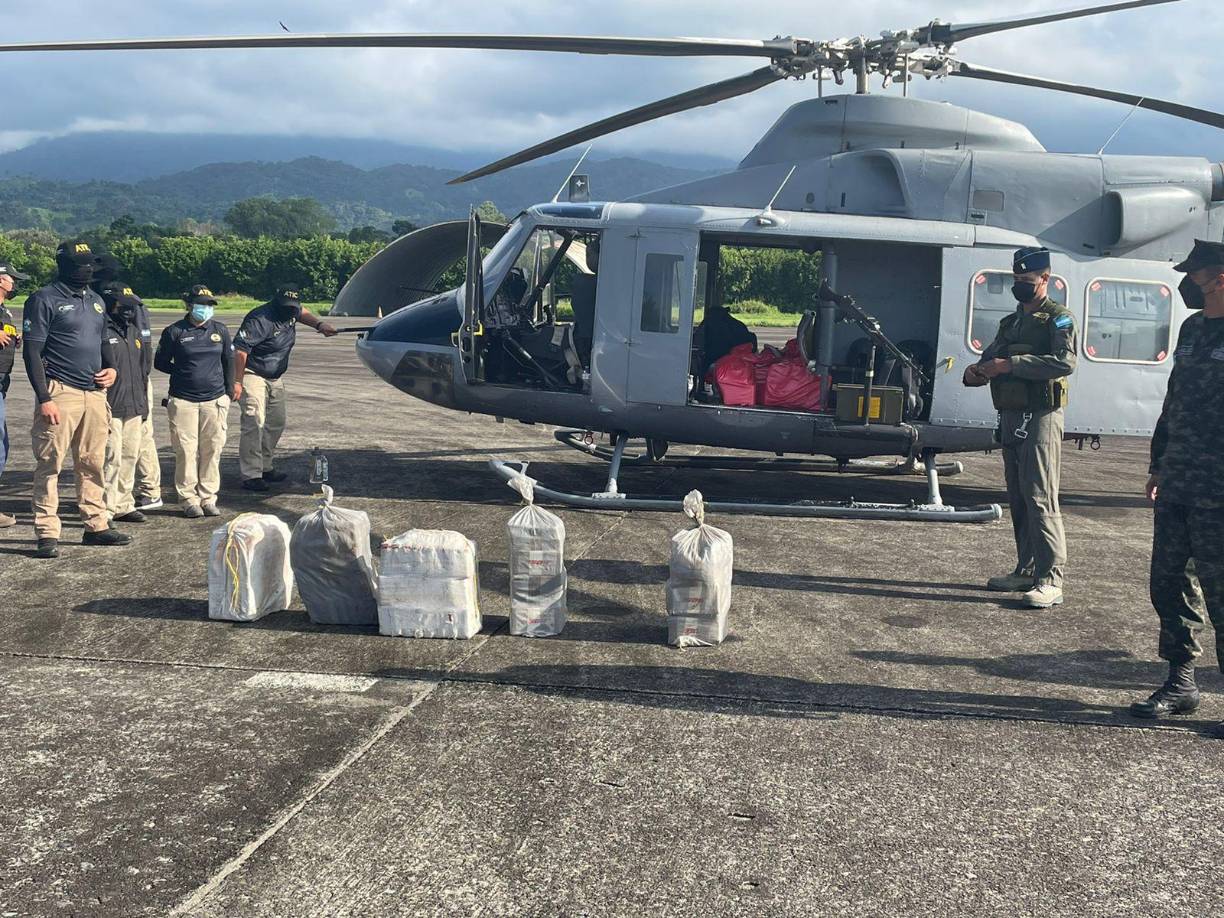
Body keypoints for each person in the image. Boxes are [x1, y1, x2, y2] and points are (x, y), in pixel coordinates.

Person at [1129, 239, 1224, 735]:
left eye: (1198, 276)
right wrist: (1158, 464)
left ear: (1221, 278)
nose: (1189, 285)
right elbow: (1174, 400)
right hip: (1180, 476)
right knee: (1168, 581)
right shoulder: (1191, 329)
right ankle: (1182, 681)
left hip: (1221, 488)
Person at [963, 246, 1077, 609]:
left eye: (1026, 281)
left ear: (1045, 279)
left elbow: (1064, 361)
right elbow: (989, 360)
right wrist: (976, 372)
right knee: (1018, 498)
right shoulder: (1010, 323)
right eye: (1016, 281)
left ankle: (1051, 579)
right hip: (1011, 417)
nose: (1020, 286)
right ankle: (1026, 569)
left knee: (1041, 497)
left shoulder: (1058, 318)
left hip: (1042, 417)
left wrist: (1010, 365)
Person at [22, 240, 131, 558]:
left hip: (94, 394)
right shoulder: (44, 299)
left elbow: (102, 341)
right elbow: (32, 351)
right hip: (60, 392)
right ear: (65, 265)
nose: (88, 269)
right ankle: (46, 531)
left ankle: (96, 525)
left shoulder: (96, 300)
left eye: (90, 263)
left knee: (92, 462)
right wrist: (44, 397)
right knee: (50, 463)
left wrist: (111, 369)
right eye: (82, 263)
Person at [233, 285, 337, 492]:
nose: (291, 310)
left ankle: (265, 466)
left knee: (276, 422)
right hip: (252, 373)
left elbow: (303, 312)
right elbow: (240, 351)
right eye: (287, 307)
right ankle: (252, 474)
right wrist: (237, 382)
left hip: (275, 376)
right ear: (275, 301)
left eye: (293, 307)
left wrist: (319, 324)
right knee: (255, 422)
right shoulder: (259, 319)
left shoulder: (292, 309)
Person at [155, 285, 237, 518]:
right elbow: (160, 362)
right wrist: (182, 371)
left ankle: (208, 497)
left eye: (210, 305)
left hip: (214, 400)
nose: (206, 309)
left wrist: (229, 392)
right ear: (190, 305)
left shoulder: (219, 331)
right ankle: (188, 499)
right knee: (186, 451)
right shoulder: (175, 332)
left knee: (212, 449)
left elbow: (229, 361)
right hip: (183, 400)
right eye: (201, 305)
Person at [94, 252, 162, 512]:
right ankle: (109, 505)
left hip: (135, 387)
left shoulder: (121, 302)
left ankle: (127, 501)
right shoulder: (103, 311)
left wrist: (142, 385)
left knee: (133, 447)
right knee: (112, 452)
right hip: (112, 391)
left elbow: (144, 349)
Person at [99, 282, 151, 524]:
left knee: (130, 455)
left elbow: (142, 370)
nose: (130, 311)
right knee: (111, 458)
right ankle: (105, 509)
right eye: (124, 306)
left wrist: (143, 404)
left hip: (134, 403)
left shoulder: (134, 331)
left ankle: (123, 503)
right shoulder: (101, 330)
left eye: (133, 307)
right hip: (110, 404)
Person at [0, 261, 31, 529]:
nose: (15, 283)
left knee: (2, 444)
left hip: (2, 382)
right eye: (12, 278)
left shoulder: (4, 310)